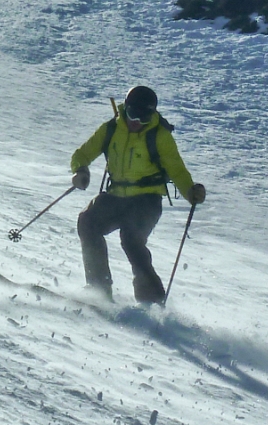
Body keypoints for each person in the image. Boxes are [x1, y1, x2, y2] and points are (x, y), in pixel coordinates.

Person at [69, 85, 206, 303]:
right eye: (133, 114)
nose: (137, 122)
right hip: (116, 196)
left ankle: (151, 300)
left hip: (147, 200)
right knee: (88, 222)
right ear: (126, 109)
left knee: (131, 239)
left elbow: (176, 169)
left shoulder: (160, 136)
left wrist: (191, 192)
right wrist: (81, 171)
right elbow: (82, 154)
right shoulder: (112, 129)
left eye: (144, 117)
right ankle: (99, 290)